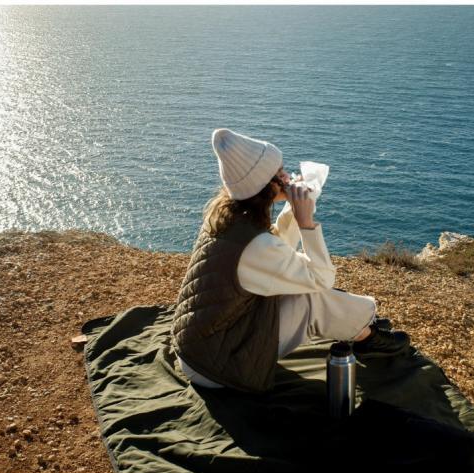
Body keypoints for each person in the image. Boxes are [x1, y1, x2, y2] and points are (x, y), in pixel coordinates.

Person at [171, 128, 410, 394]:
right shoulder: (254, 245)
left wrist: (294, 209)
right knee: (311, 299)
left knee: (297, 287)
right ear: (264, 186)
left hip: (203, 347)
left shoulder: (230, 215)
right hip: (218, 365)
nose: (287, 177)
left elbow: (275, 252)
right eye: (280, 173)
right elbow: (321, 278)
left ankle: (362, 325)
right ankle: (367, 336)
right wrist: (306, 222)